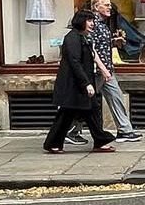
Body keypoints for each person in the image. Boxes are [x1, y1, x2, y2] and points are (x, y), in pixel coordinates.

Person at [43, 12, 116, 154]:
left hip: (79, 85)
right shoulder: (72, 38)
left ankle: (100, 141)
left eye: (92, 20)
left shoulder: (82, 37)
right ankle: (53, 143)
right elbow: (75, 63)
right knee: (66, 115)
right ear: (81, 21)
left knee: (92, 110)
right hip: (73, 86)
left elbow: (89, 58)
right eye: (89, 20)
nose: (92, 23)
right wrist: (86, 84)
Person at [89, 0, 142, 143]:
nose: (109, 7)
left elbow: (101, 45)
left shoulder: (103, 24)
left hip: (107, 70)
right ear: (95, 7)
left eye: (109, 5)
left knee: (116, 97)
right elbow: (91, 49)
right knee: (85, 101)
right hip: (98, 71)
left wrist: (114, 41)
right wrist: (103, 69)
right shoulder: (93, 24)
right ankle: (71, 130)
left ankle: (125, 131)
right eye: (105, 5)